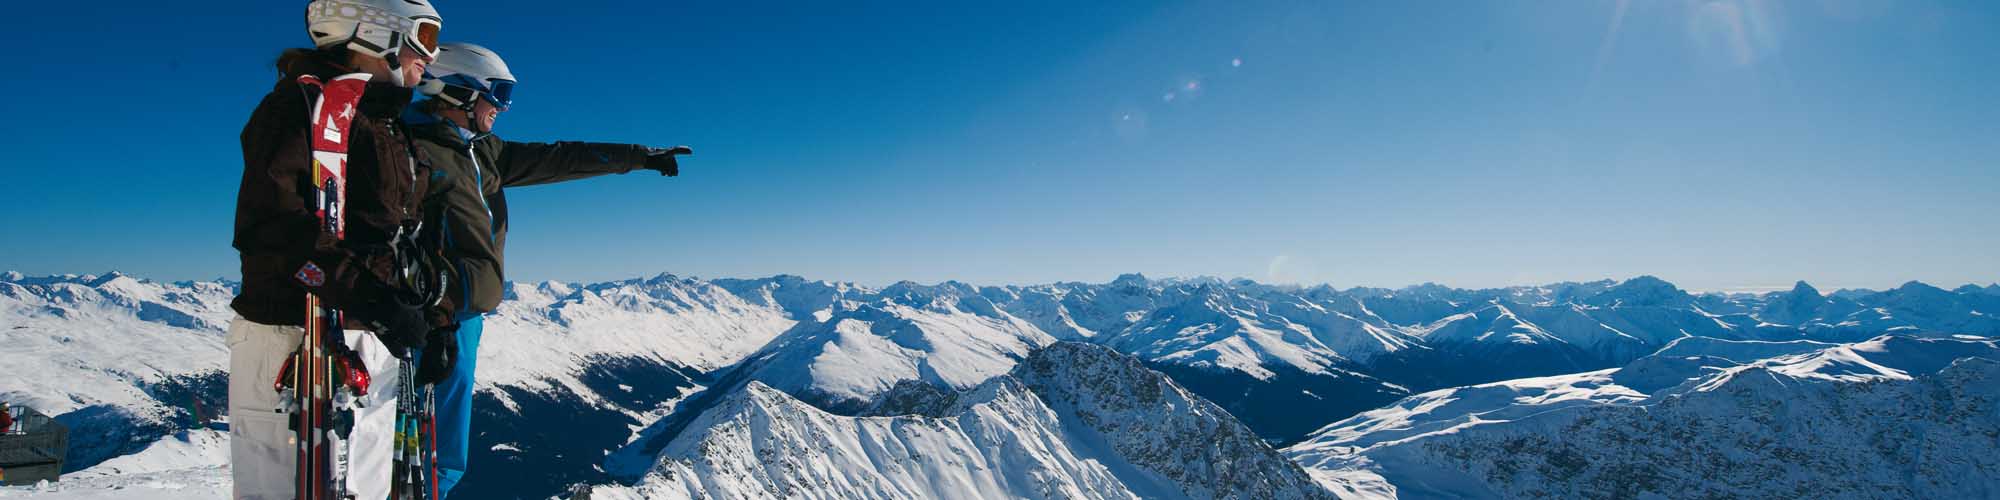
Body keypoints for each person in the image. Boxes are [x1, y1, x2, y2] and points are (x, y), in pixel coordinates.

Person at [404, 42, 690, 498]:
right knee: (423, 450)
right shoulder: (412, 149)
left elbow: (557, 157)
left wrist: (637, 156)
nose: (502, 106)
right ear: (457, 91)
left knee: (444, 453)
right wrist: (428, 305)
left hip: (465, 315)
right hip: (433, 319)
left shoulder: (482, 152)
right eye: (495, 93)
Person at [228, 1, 454, 498]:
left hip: (368, 335)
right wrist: (368, 295)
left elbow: (400, 236)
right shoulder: (293, 109)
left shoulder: (384, 123)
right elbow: (271, 228)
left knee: (365, 490)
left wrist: (435, 319)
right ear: (377, 34)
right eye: (427, 38)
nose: (431, 58)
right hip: (291, 335)